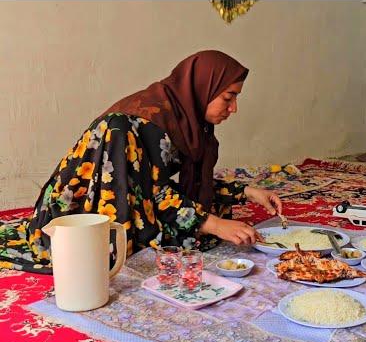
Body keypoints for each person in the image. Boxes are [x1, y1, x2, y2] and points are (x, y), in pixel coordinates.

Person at [0, 50, 282, 274]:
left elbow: (182, 184)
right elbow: (154, 192)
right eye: (228, 97)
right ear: (203, 88)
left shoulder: (186, 121)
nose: (233, 108)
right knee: (152, 251)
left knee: (193, 237)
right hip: (83, 213)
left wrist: (246, 192)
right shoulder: (135, 124)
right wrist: (214, 224)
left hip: (137, 195)